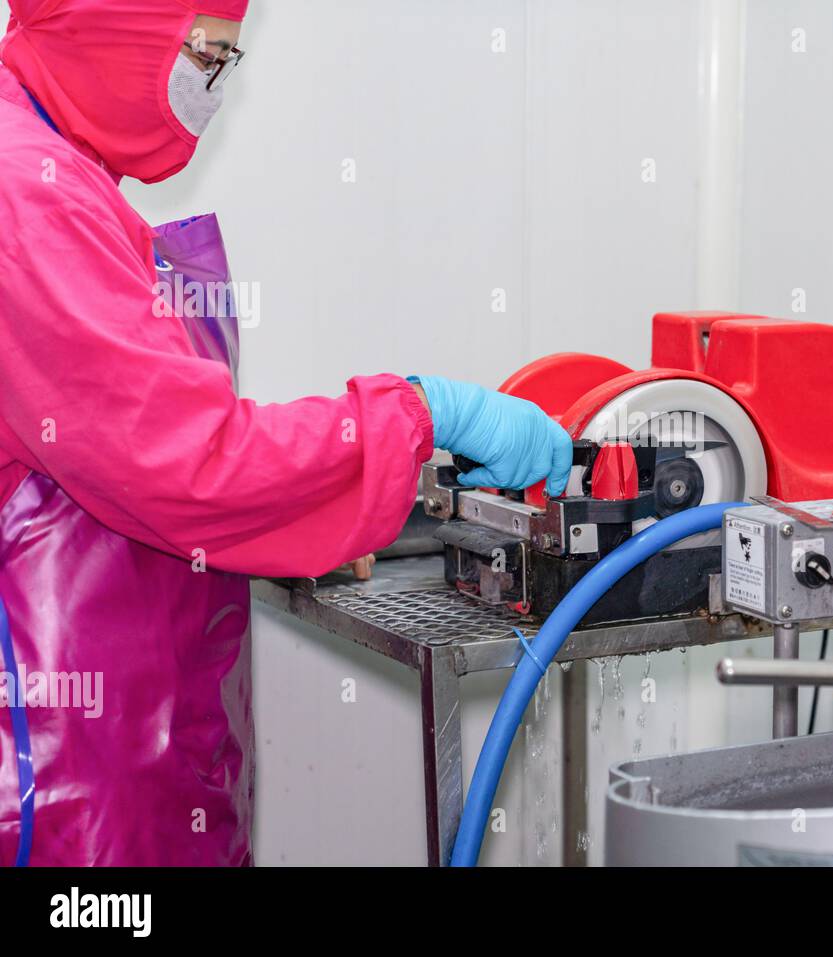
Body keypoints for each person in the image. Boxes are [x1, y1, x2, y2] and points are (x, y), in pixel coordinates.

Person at [0, 0, 572, 865]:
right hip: (63, 776)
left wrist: (321, 507)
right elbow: (192, 463)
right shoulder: (27, 198)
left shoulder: (63, 176)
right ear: (115, 24)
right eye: (206, 55)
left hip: (130, 742)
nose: (213, 90)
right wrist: (419, 414)